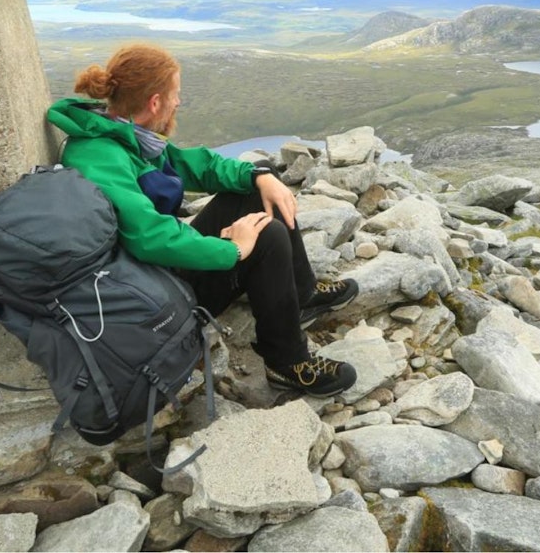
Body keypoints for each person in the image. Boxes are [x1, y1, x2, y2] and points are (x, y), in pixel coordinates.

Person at [46, 43, 358, 397]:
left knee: (257, 185)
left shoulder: (120, 132)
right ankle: (287, 363)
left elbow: (197, 165)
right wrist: (233, 251)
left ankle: (299, 296)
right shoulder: (100, 157)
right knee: (267, 236)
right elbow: (150, 238)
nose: (179, 102)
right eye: (176, 95)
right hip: (149, 295)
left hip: (156, 270)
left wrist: (259, 175)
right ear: (155, 102)